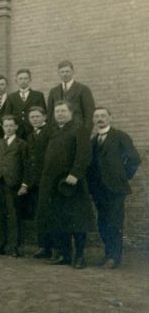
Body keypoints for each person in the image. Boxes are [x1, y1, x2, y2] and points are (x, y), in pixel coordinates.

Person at [37, 101, 95, 269]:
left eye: (63, 111)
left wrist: (75, 173)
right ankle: (65, 254)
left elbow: (84, 154)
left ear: (71, 112)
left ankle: (79, 256)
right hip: (54, 185)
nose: (60, 114)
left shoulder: (79, 129)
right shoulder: (52, 130)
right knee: (59, 220)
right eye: (57, 111)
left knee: (77, 221)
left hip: (71, 184)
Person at [87, 107, 141, 269]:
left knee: (114, 222)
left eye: (103, 116)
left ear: (110, 118)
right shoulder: (93, 140)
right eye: (96, 116)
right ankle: (108, 254)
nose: (100, 119)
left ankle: (114, 257)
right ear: (93, 120)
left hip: (116, 188)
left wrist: (123, 176)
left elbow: (134, 159)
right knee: (103, 221)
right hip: (99, 189)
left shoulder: (120, 137)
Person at [0, 115, 28, 257]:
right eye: (6, 126)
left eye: (11, 125)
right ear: (3, 127)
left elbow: (26, 165)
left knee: (13, 215)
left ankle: (13, 246)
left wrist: (24, 184)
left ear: (16, 127)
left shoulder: (21, 144)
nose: (8, 128)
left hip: (13, 184)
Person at [23, 106, 53, 259]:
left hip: (47, 180)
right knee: (38, 214)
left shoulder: (51, 132)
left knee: (49, 213)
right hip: (34, 182)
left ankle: (53, 247)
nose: (35, 119)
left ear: (44, 117)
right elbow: (29, 160)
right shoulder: (30, 136)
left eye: (37, 116)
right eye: (32, 117)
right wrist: (26, 182)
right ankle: (43, 246)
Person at [47, 60, 95, 132]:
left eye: (67, 71)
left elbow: (89, 113)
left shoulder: (83, 89)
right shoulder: (53, 91)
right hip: (58, 131)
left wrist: (86, 132)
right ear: (59, 73)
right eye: (62, 72)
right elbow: (50, 113)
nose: (65, 74)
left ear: (72, 72)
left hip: (77, 130)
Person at [6, 69, 46, 139]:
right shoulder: (11, 97)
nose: (23, 81)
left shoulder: (38, 95)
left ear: (30, 80)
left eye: (25, 78)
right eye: (20, 79)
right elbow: (8, 115)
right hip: (17, 132)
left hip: (33, 130)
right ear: (16, 81)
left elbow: (43, 113)